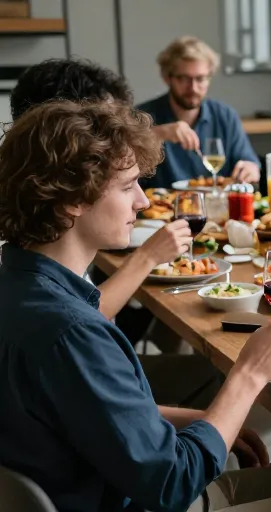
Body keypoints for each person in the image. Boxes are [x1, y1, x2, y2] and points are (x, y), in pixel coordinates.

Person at [0, 101, 271, 512]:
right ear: (72, 200)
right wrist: (248, 374)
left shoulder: (20, 288)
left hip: (94, 481)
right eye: (127, 186)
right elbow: (173, 482)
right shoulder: (73, 333)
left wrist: (202, 420)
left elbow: (91, 415)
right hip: (131, 500)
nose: (143, 202)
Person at [10, 57, 221, 408]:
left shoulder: (28, 259)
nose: (142, 201)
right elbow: (85, 328)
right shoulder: (65, 320)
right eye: (98, 122)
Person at [137, 35, 260, 189]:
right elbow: (119, 166)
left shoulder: (226, 116)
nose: (193, 88)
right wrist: (158, 134)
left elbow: (249, 163)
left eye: (200, 79)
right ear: (167, 78)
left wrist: (250, 169)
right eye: (184, 79)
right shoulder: (142, 116)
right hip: (160, 203)